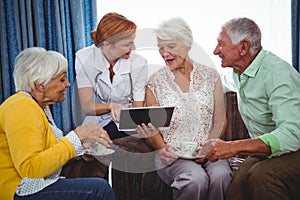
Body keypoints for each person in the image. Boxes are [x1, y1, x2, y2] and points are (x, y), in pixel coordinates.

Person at [203, 17, 300, 200]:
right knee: (237, 187)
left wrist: (234, 147)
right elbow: (218, 85)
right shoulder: (240, 74)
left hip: (295, 148)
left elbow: (292, 134)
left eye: (221, 44)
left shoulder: (277, 74)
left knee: (263, 176)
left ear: (243, 47)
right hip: (271, 151)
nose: (216, 51)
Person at [0, 47, 116, 200]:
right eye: (62, 79)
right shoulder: (21, 107)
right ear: (40, 84)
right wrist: (77, 136)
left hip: (37, 183)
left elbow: (46, 153)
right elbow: (30, 169)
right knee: (100, 190)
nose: (68, 84)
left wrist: (80, 151)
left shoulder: (39, 106)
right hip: (19, 189)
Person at [136, 16, 232, 200]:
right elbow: (151, 125)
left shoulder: (211, 76)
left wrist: (208, 147)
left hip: (208, 148)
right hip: (172, 154)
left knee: (221, 176)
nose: (164, 53)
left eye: (171, 46)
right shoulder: (155, 81)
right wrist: (162, 148)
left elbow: (220, 119)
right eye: (161, 47)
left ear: (188, 45)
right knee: (194, 179)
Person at [75, 12, 148, 139]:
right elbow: (87, 106)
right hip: (99, 117)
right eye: (127, 44)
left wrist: (138, 127)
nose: (134, 47)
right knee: (89, 143)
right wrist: (110, 106)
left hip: (127, 119)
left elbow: (137, 109)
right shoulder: (84, 58)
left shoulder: (139, 63)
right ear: (107, 44)